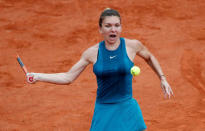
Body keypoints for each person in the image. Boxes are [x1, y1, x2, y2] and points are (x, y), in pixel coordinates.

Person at [26, 8, 174, 131]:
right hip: (104, 109)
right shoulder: (92, 52)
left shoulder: (132, 46)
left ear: (121, 27)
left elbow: (149, 57)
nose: (113, 29)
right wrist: (38, 76)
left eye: (117, 25)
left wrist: (162, 78)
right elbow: (68, 77)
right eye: (108, 26)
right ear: (100, 29)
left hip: (127, 106)